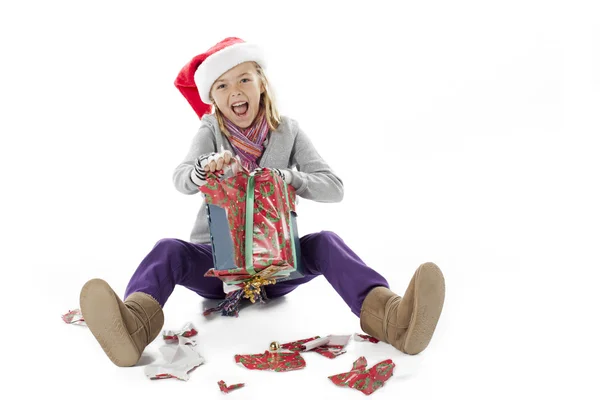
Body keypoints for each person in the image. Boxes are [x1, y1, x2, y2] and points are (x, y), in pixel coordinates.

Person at [79, 37, 446, 367]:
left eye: (243, 79)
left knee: (327, 243)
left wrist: (290, 178)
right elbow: (181, 178)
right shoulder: (210, 131)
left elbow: (334, 187)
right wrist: (205, 169)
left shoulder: (288, 130)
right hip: (218, 267)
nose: (234, 91)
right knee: (168, 250)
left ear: (261, 84)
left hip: (278, 263)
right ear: (213, 98)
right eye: (222, 85)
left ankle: (393, 320)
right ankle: (132, 325)